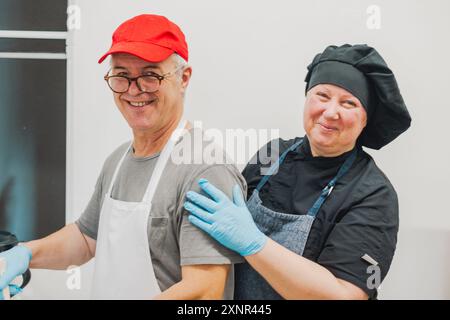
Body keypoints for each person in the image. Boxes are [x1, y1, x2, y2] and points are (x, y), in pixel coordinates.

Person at [0, 14, 245, 300]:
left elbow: (205, 291)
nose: (133, 90)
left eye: (150, 76)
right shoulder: (118, 161)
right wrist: (27, 253)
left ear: (184, 78)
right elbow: (86, 239)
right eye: (121, 76)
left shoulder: (205, 170)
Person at [184, 44, 411, 300]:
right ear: (307, 97)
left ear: (366, 119)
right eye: (322, 96)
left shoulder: (374, 194)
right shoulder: (272, 154)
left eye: (348, 103)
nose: (331, 112)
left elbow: (345, 295)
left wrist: (254, 243)